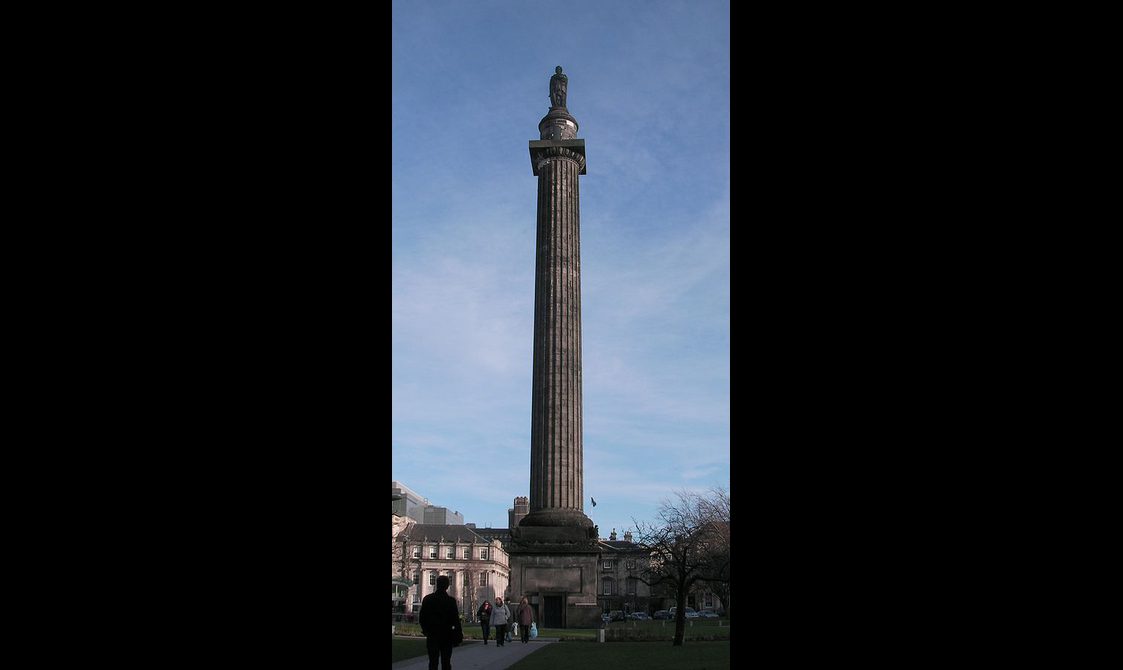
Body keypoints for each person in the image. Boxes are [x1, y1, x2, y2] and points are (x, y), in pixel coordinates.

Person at [419, 575, 462, 670]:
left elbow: (422, 617)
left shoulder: (428, 599)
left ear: (436, 585)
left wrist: (425, 630)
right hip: (447, 634)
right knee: (446, 662)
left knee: (433, 662)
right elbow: (455, 620)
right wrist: (458, 635)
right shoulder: (450, 601)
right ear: (447, 586)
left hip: (432, 634)